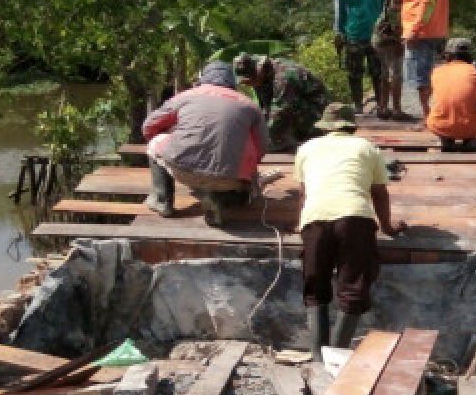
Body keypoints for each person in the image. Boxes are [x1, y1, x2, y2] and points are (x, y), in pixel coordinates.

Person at [295, 103, 406, 359]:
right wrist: (388, 227)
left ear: (325, 127)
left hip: (315, 220)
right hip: (355, 219)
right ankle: (335, 356)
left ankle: (317, 357)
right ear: (350, 126)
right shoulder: (366, 147)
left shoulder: (307, 148)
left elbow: (304, 194)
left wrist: (299, 224)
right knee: (353, 287)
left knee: (315, 285)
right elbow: (379, 192)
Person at [141, 61, 268, 227]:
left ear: (203, 78)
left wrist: (172, 137)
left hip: (184, 171)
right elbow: (262, 147)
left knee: (154, 143)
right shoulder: (249, 105)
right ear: (232, 81)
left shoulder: (184, 97)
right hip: (232, 178)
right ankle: (219, 199)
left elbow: (148, 127)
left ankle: (162, 200)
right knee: (241, 169)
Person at [395, 0, 449, 118]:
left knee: (422, 78)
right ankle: (429, 116)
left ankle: (429, 117)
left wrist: (414, 30)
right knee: (421, 77)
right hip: (424, 31)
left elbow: (427, 2)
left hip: (423, 33)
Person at [233, 54, 327, 152]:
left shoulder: (285, 75)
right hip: (293, 111)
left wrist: (261, 141)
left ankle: (304, 139)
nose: (249, 84)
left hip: (317, 113)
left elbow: (281, 110)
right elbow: (265, 109)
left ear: (259, 71)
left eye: (250, 80)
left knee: (284, 114)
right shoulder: (262, 79)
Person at [334, 0, 389, 113]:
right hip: (353, 36)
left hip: (377, 36)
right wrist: (338, 33)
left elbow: (387, 8)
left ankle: (381, 104)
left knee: (378, 72)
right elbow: (339, 12)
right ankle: (358, 105)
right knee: (354, 72)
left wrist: (389, 31)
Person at [426, 38, 476, 151]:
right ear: (470, 56)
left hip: (439, 125)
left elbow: (433, 100)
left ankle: (446, 138)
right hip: (470, 128)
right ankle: (469, 139)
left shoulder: (436, 71)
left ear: (448, 56)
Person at [372, 0, 407, 120]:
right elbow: (393, 29)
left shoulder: (390, 5)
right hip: (388, 42)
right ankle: (396, 110)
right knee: (395, 76)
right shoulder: (396, 7)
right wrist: (399, 44)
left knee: (385, 75)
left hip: (382, 42)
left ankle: (383, 108)